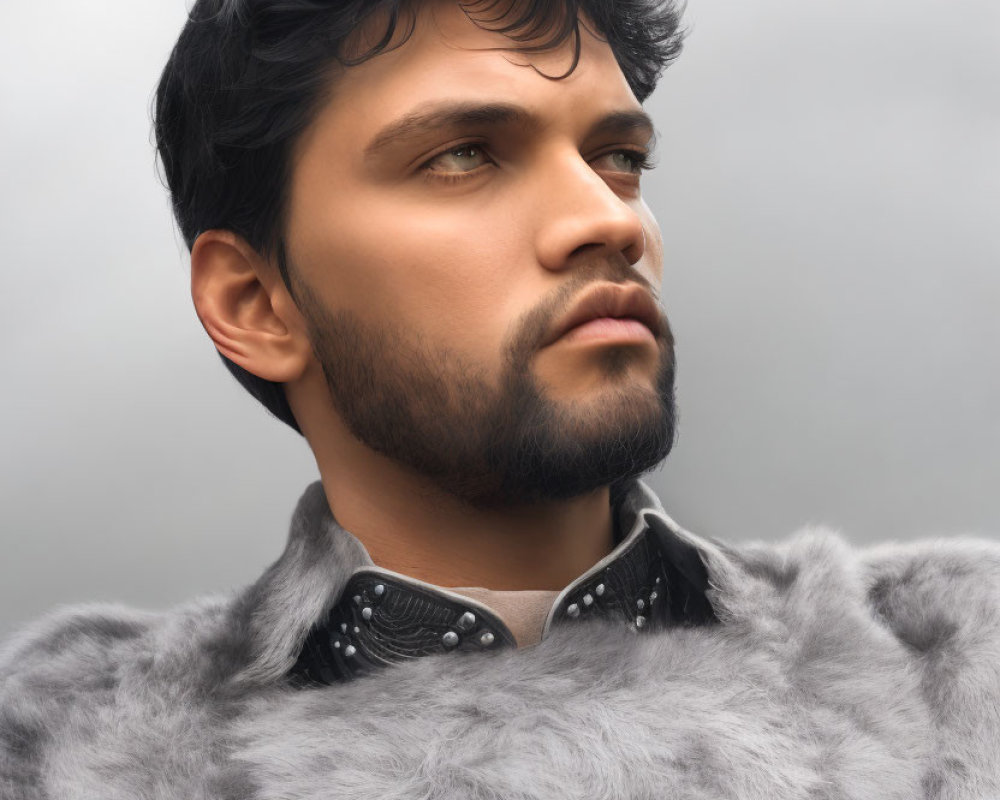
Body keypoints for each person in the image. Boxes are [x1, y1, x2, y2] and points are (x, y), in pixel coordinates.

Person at [1, 0, 997, 797]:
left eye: (619, 156)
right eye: (464, 154)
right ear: (256, 301)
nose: (605, 217)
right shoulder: (64, 749)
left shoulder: (959, 659)